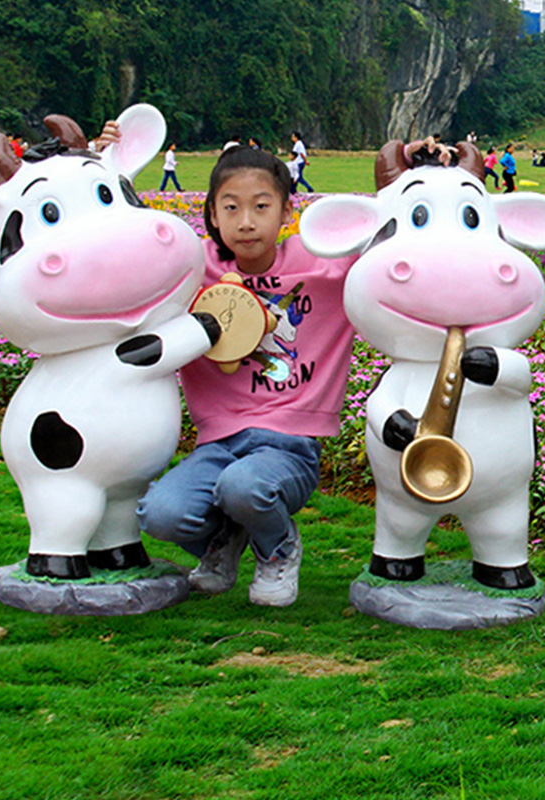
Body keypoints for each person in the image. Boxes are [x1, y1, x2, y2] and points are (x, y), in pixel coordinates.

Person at [135, 145, 357, 607]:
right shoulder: (193, 270)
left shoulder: (325, 263)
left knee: (244, 486)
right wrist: (102, 154)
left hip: (290, 443)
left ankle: (278, 548)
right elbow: (125, 240)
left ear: (286, 211)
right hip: (219, 442)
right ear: (212, 215)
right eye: (231, 208)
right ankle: (222, 545)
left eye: (261, 206)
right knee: (160, 514)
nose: (246, 221)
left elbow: (392, 237)